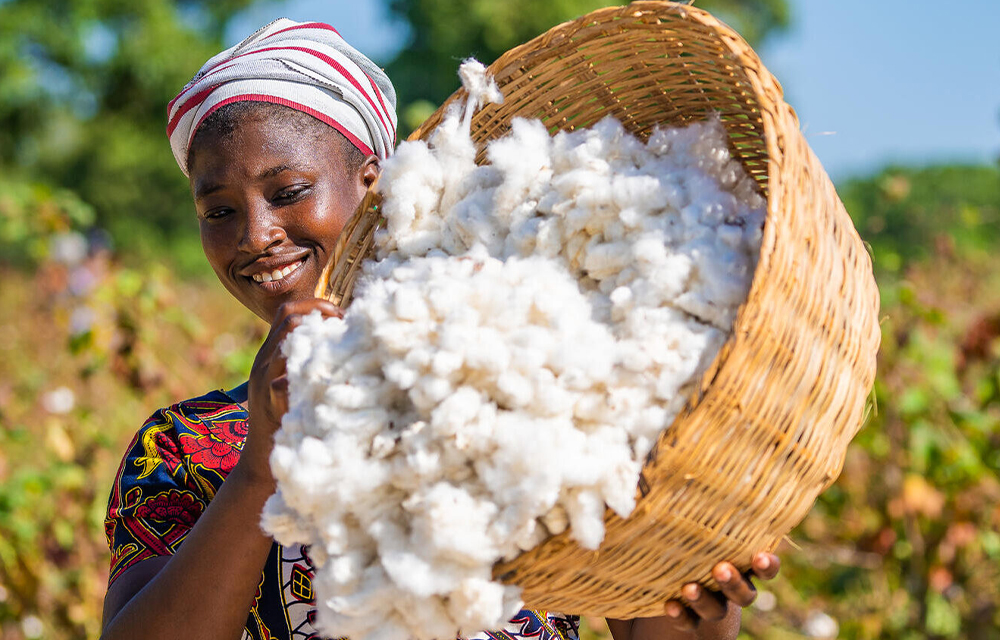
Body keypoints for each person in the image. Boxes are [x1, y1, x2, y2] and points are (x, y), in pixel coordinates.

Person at [100, 19, 780, 640]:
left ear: (373, 184)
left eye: (288, 193)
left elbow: (644, 627)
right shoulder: (188, 449)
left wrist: (698, 608)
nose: (256, 235)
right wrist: (258, 469)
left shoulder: (535, 385)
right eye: (218, 211)